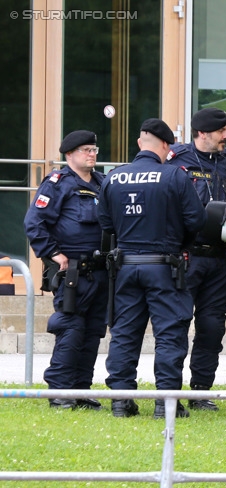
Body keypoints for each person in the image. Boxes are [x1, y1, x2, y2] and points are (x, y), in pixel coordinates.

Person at [98, 119, 206, 419]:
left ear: (139, 143)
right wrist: (178, 243)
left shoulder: (114, 177)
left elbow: (106, 225)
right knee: (170, 333)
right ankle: (165, 402)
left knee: (124, 333)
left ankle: (121, 400)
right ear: (166, 146)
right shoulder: (175, 176)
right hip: (165, 267)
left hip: (126, 267)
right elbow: (196, 220)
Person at [165, 107, 226, 411]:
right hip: (186, 258)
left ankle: (200, 392)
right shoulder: (177, 162)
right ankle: (171, 392)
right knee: (177, 326)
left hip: (221, 261)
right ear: (202, 133)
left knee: (212, 328)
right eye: (221, 132)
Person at [24, 130, 109, 410]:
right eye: (86, 149)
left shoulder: (102, 183)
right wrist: (53, 254)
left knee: (93, 331)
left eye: (94, 149)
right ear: (69, 154)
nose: (92, 154)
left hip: (101, 271)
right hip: (73, 272)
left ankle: (81, 391)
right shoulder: (58, 183)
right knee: (71, 329)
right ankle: (60, 391)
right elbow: (34, 223)